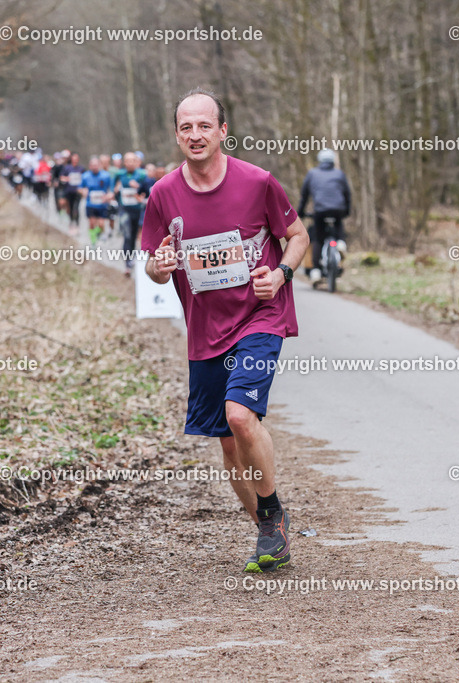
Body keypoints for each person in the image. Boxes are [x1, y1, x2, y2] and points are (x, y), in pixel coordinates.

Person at [142, 88, 309, 573]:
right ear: (177, 135)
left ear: (222, 131)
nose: (196, 135)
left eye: (204, 126)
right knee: (230, 445)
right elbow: (152, 266)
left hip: (260, 316)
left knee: (240, 415)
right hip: (205, 329)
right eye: (186, 128)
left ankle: (272, 512)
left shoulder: (257, 183)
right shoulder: (162, 195)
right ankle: (269, 530)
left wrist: (280, 275)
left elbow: (296, 237)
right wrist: (160, 265)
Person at [297, 148, 351, 282]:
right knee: (338, 225)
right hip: (338, 209)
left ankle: (315, 270)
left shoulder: (312, 174)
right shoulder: (339, 174)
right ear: (332, 161)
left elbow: (304, 196)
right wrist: (346, 211)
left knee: (317, 238)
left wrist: (301, 213)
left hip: (320, 211)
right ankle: (340, 243)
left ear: (320, 161)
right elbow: (347, 195)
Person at [114, 151, 150, 276]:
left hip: (138, 210)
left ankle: (134, 257)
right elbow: (114, 190)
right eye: (127, 161)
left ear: (136, 162)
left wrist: (138, 186)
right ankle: (127, 263)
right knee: (127, 235)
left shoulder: (141, 175)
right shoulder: (119, 174)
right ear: (124, 162)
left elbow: (147, 189)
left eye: (132, 161)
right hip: (124, 210)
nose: (129, 163)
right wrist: (116, 191)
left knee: (135, 235)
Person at [81, 156, 113, 245]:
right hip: (90, 204)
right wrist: (83, 192)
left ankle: (97, 234)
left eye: (96, 165)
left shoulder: (106, 176)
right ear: (89, 166)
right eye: (92, 165)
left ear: (99, 165)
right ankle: (93, 241)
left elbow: (110, 189)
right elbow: (80, 188)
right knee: (91, 223)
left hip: (102, 204)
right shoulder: (85, 176)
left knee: (101, 224)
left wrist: (109, 196)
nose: (94, 167)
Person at [60, 153, 86, 234]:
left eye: (76, 158)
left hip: (78, 192)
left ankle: (77, 225)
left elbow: (85, 179)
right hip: (69, 191)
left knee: (77, 208)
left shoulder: (81, 169)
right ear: (71, 159)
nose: (75, 160)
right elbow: (61, 177)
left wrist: (84, 189)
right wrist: (66, 179)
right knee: (70, 208)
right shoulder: (67, 168)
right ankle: (71, 223)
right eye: (73, 158)